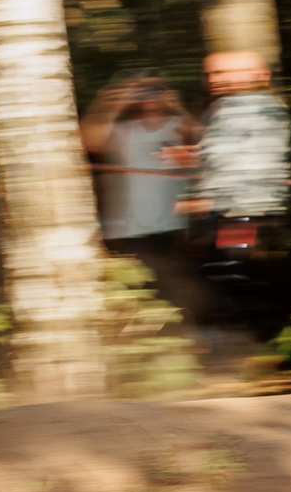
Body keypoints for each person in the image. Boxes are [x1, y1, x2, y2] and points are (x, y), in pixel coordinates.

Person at [78, 73, 205, 321]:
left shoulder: (177, 125)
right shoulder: (124, 131)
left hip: (173, 224)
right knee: (142, 284)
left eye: (155, 90)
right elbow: (86, 141)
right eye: (142, 92)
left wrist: (175, 104)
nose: (149, 97)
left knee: (177, 282)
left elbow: (204, 140)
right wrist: (112, 103)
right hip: (130, 227)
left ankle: (177, 328)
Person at [186, 50, 291, 341]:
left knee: (234, 274)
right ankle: (246, 341)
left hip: (240, 211)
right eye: (212, 73)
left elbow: (236, 159)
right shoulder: (239, 105)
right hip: (239, 209)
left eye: (222, 73)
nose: (214, 79)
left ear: (255, 74)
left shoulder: (249, 106)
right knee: (232, 272)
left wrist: (209, 196)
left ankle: (243, 343)